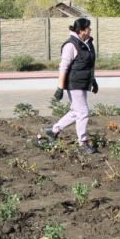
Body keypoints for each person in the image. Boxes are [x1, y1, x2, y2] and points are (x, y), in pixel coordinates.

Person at [41, 17, 99, 154]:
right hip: (74, 83)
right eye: (88, 28)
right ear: (81, 31)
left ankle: (53, 130)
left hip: (83, 82)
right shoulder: (71, 45)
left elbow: (89, 65)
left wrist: (93, 80)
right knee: (83, 112)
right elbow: (63, 67)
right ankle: (82, 143)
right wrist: (60, 88)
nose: (90, 30)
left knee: (76, 112)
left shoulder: (87, 43)